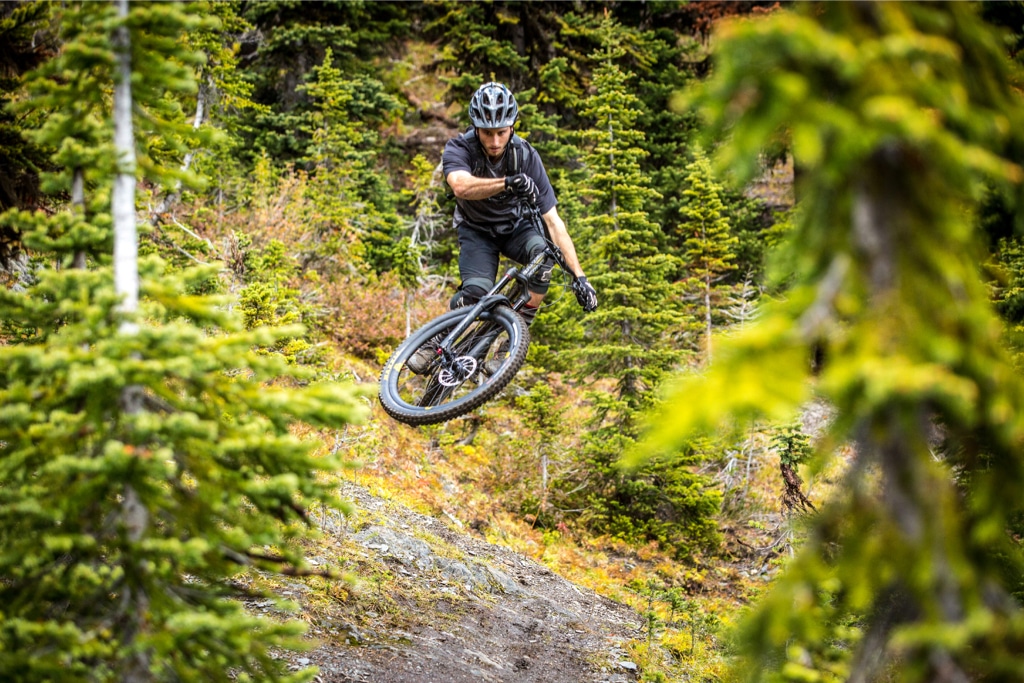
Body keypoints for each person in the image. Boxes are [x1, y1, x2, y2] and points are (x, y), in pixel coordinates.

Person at [407, 81, 597, 373]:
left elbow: (553, 222)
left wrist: (580, 277)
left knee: (543, 257)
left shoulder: (526, 156)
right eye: (487, 133)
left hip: (516, 229)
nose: (495, 141)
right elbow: (460, 186)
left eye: (501, 132)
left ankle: (510, 344)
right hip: (477, 231)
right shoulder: (460, 148)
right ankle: (436, 342)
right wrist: (507, 182)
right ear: (475, 128)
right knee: (475, 292)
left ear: (512, 127)